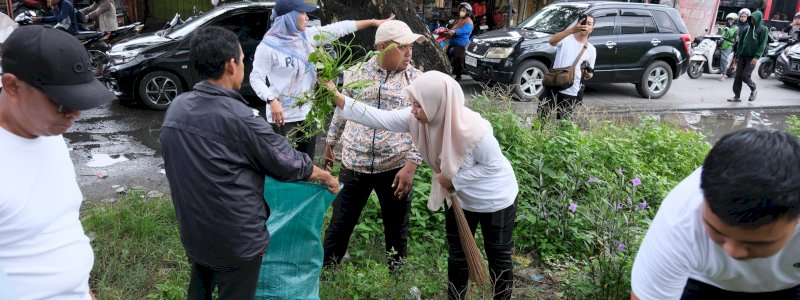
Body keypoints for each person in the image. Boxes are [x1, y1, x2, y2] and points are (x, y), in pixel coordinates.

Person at [160, 26, 339, 300]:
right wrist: (326, 177)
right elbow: (287, 162)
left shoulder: (177, 108)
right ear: (231, 65)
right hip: (235, 240)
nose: (244, 66)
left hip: (194, 230)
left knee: (200, 287)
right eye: (243, 60)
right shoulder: (241, 118)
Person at [323, 71, 519, 300]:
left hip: (495, 199)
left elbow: (494, 167)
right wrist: (338, 97)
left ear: (438, 103)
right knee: (458, 254)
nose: (413, 110)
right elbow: (379, 118)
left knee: (498, 253)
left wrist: (453, 180)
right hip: (460, 199)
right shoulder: (416, 119)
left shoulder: (475, 130)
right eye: (413, 103)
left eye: (419, 105)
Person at [0, 25, 116, 299]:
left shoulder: (47, 130)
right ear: (12, 86)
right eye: (62, 103)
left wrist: (83, 289)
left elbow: (60, 224)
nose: (74, 114)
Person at [630, 128, 800, 299]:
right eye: (717, 232)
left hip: (790, 285)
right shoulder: (681, 220)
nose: (732, 252)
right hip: (704, 281)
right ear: (703, 197)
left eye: (758, 243)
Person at [321, 20, 424, 270]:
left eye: (411, 46)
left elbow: (425, 127)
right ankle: (326, 271)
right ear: (381, 47)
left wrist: (411, 165)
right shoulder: (356, 73)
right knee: (341, 222)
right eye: (403, 47)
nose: (409, 53)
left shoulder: (418, 81)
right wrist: (330, 142)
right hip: (355, 162)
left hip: (395, 165)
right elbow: (341, 110)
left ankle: (397, 274)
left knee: (396, 224)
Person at [249, 0, 394, 158]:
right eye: (302, 13)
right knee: (284, 163)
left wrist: (373, 22)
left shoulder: (307, 37)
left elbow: (339, 28)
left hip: (308, 113)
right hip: (282, 117)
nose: (307, 18)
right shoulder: (268, 47)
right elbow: (256, 78)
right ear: (289, 17)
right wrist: (271, 99)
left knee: (307, 162)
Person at [539, 15, 596, 120]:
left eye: (589, 24)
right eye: (583, 22)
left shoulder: (591, 49)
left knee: (564, 123)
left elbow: (590, 73)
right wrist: (571, 30)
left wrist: (588, 74)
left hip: (571, 89)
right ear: (578, 24)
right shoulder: (565, 38)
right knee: (541, 118)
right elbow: (552, 41)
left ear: (592, 29)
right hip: (552, 84)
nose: (585, 26)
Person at [727, 10, 767, 103]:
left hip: (752, 58)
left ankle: (753, 89)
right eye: (751, 19)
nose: (752, 20)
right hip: (742, 56)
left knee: (745, 76)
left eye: (754, 19)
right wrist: (736, 57)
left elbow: (762, 44)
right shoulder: (746, 29)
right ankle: (736, 96)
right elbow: (741, 43)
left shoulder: (763, 29)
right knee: (737, 77)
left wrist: (756, 57)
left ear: (758, 19)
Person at [446, 2, 473, 81]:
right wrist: (448, 30)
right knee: (446, 56)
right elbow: (453, 27)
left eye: (464, 10)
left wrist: (454, 32)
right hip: (453, 42)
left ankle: (458, 75)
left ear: (468, 12)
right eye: (461, 10)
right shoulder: (459, 20)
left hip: (461, 43)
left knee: (458, 58)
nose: (462, 12)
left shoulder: (469, 21)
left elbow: (464, 30)